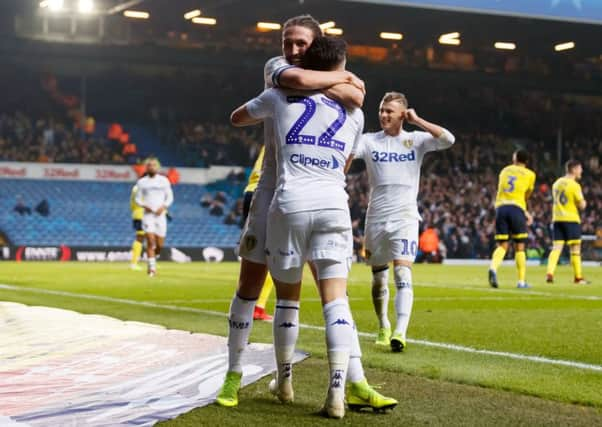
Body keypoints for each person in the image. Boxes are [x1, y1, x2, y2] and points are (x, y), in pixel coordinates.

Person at [216, 15, 396, 414]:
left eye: (301, 44)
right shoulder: (276, 70)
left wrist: (342, 83)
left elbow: (358, 98)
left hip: (296, 196)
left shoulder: (311, 82)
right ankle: (233, 375)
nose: (292, 50)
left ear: (315, 46)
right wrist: (341, 78)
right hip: (266, 195)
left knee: (330, 291)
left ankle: (356, 381)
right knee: (250, 285)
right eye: (288, 42)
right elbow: (321, 87)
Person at [350, 92, 455, 352]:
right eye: (382, 110)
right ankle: (383, 323)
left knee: (402, 272)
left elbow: (448, 139)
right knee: (378, 279)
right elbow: (349, 152)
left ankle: (400, 331)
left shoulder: (415, 140)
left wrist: (417, 120)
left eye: (390, 111)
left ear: (402, 114)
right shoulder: (369, 141)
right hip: (375, 218)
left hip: (405, 217)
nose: (384, 114)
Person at [488, 149, 536, 289]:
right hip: (516, 209)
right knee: (520, 246)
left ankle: (493, 268)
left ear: (514, 159)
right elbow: (526, 195)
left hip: (501, 209)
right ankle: (521, 281)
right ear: (526, 161)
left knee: (502, 245)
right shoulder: (530, 174)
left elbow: (501, 189)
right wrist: (525, 212)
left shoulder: (505, 170)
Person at [243, 146, 275, 321]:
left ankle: (246, 306)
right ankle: (258, 306)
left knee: (254, 254)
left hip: (251, 190)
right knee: (274, 253)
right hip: (266, 191)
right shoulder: (286, 132)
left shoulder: (269, 138)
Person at [546, 160, 589, 284]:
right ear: (574, 169)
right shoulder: (574, 185)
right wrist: (583, 203)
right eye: (580, 169)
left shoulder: (556, 183)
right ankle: (578, 277)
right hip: (571, 219)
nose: (581, 171)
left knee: (556, 248)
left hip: (557, 219)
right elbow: (582, 205)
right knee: (575, 249)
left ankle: (550, 273)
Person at [135, 157, 173, 277]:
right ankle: (152, 269)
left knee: (159, 245)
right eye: (149, 165)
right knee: (150, 242)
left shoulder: (164, 181)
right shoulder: (142, 182)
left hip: (161, 215)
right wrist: (144, 206)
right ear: (146, 167)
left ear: (158, 167)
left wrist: (164, 207)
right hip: (148, 216)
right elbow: (137, 198)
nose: (151, 167)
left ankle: (153, 258)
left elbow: (170, 197)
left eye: (153, 165)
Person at [129, 183, 145, 271]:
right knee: (141, 238)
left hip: (136, 213)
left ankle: (151, 262)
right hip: (144, 214)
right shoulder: (146, 186)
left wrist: (134, 210)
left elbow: (131, 203)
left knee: (140, 238)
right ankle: (134, 263)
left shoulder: (135, 188)